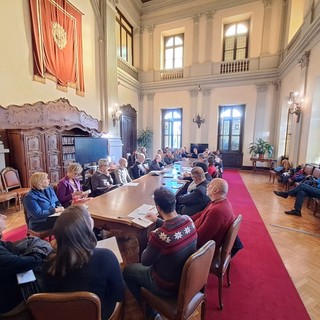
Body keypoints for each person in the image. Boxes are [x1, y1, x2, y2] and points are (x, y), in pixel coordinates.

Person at [123, 187, 197, 318]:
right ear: (174, 202)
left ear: (158, 207)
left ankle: (150, 309)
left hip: (165, 285)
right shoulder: (188, 220)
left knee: (128, 271)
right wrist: (157, 221)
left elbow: (145, 262)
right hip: (184, 278)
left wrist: (151, 238)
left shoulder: (160, 235)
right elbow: (175, 228)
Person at [42, 205, 125, 320]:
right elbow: (118, 295)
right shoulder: (105, 257)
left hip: (64, 315)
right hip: (99, 314)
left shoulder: (48, 261)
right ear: (85, 229)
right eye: (88, 216)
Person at [0, 214, 52, 317]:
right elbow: (30, 261)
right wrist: (39, 247)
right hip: (10, 303)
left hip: (9, 285)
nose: (5, 216)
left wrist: (34, 243)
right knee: (52, 277)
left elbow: (12, 247)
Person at [191, 178, 236, 250]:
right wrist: (188, 220)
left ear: (215, 190)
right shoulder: (219, 201)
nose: (207, 186)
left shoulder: (216, 211)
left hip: (203, 249)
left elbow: (200, 239)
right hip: (195, 231)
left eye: (210, 185)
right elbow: (201, 213)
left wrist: (186, 233)